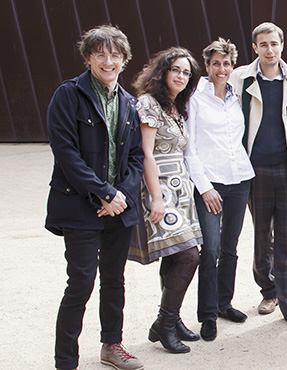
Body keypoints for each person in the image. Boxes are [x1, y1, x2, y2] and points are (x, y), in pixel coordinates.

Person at [46, 24, 145, 370]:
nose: (108, 60)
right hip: (79, 206)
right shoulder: (68, 94)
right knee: (81, 284)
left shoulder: (129, 103)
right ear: (88, 57)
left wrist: (120, 196)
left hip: (117, 208)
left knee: (114, 280)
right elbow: (66, 152)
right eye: (100, 54)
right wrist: (103, 192)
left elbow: (136, 158)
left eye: (115, 55)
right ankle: (66, 361)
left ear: (124, 59)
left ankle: (111, 346)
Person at [229, 22, 287, 331]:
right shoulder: (241, 78)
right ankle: (269, 290)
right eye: (263, 44)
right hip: (254, 170)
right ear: (255, 48)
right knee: (263, 237)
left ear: (282, 45)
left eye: (274, 43)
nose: (269, 49)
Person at [131, 47, 202, 354]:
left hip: (180, 185)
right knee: (190, 256)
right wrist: (156, 199)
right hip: (159, 187)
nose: (181, 76)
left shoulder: (176, 105)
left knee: (177, 255)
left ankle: (171, 321)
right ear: (162, 71)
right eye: (176, 70)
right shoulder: (149, 103)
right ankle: (164, 321)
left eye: (186, 72)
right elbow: (146, 152)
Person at [185, 38, 255, 340]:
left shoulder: (237, 95)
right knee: (210, 249)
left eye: (226, 63)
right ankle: (207, 314)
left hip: (240, 179)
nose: (221, 69)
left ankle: (224, 303)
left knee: (230, 247)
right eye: (216, 63)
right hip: (210, 184)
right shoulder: (194, 98)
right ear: (207, 64)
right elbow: (189, 148)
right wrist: (204, 188)